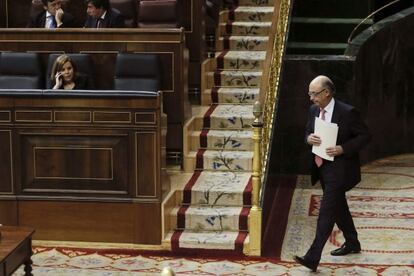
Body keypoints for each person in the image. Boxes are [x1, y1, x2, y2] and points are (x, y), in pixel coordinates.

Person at [294, 75, 371, 272]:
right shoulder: (313, 110)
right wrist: (308, 138)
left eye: (314, 93)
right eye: (310, 93)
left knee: (327, 211)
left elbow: (365, 135)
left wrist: (343, 148)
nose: (311, 98)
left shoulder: (347, 112)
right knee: (338, 206)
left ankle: (313, 257)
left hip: (341, 168)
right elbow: (307, 133)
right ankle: (353, 242)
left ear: (326, 92)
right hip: (322, 167)